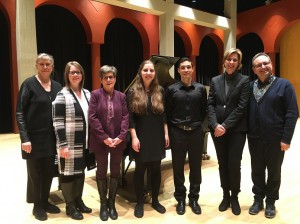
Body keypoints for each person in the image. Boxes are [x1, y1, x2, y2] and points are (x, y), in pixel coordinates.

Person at [247, 52, 298, 219]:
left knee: (274, 172)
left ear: (271, 64)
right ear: (254, 69)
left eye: (265, 63)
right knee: (257, 171)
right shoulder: (249, 86)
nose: (263, 67)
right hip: (254, 138)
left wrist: (286, 138)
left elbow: (292, 113)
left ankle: (270, 201)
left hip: (276, 139)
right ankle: (258, 199)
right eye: (258, 65)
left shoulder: (284, 85)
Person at [16, 53, 62, 221]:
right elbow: (20, 112)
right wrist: (24, 138)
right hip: (33, 139)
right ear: (36, 65)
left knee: (49, 171)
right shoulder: (28, 84)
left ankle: (45, 200)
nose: (45, 67)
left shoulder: (57, 86)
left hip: (51, 138)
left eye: (48, 64)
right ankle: (37, 205)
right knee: (35, 173)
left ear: (52, 66)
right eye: (41, 64)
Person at [207, 48, 250, 215]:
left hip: (236, 130)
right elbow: (210, 104)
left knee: (234, 164)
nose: (231, 62)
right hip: (217, 130)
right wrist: (214, 124)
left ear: (239, 64)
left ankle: (235, 197)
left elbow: (241, 107)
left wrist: (224, 126)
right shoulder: (215, 80)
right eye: (229, 59)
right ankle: (225, 195)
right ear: (224, 61)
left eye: (235, 60)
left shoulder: (244, 80)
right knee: (222, 163)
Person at [127, 60, 169, 218]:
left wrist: (165, 133)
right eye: (146, 70)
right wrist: (134, 137)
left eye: (151, 70)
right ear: (140, 72)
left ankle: (156, 200)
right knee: (139, 170)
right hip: (141, 136)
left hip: (157, 135)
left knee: (156, 170)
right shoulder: (133, 92)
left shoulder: (160, 90)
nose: (149, 73)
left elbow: (164, 115)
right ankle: (139, 202)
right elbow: (130, 118)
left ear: (154, 73)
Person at [165, 57, 207, 215]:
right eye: (183, 67)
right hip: (178, 132)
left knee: (196, 167)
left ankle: (194, 198)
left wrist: (198, 126)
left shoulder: (201, 89)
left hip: (196, 132)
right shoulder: (171, 90)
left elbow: (204, 111)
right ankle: (180, 199)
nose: (186, 70)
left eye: (189, 67)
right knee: (177, 167)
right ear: (178, 70)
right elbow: (167, 112)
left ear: (193, 68)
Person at [52, 61, 92, 220]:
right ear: (67, 75)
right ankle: (70, 206)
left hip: (85, 142)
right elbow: (57, 122)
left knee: (80, 172)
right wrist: (62, 145)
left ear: (82, 75)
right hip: (69, 143)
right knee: (68, 174)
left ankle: (78, 200)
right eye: (72, 72)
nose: (76, 75)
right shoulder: (62, 95)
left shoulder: (88, 94)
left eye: (78, 72)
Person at [89, 65, 129, 221]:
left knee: (115, 171)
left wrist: (121, 136)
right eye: (105, 77)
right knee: (101, 170)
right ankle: (103, 204)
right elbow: (92, 117)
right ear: (101, 79)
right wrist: (104, 137)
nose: (108, 79)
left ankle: (112, 202)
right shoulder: (95, 95)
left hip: (118, 140)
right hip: (100, 140)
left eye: (111, 76)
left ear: (115, 78)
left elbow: (126, 117)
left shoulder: (122, 96)